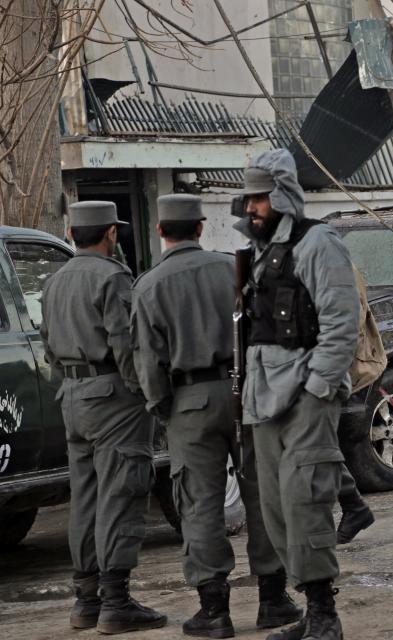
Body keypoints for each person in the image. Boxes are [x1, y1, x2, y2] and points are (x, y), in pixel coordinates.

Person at [130, 194, 301, 638]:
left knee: (199, 501)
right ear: (201, 228)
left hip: (189, 399)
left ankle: (214, 609)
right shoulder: (234, 268)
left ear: (160, 231)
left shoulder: (149, 285)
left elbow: (148, 360)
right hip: (245, 391)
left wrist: (162, 405)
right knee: (262, 493)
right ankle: (274, 598)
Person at [235, 149, 361, 640]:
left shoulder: (318, 243)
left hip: (306, 395)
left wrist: (317, 389)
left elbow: (341, 324)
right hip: (263, 399)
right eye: (249, 198)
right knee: (275, 510)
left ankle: (326, 615)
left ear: (284, 195)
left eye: (261, 198)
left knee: (304, 499)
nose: (252, 208)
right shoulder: (261, 254)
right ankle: (310, 609)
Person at [40, 201, 167, 634]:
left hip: (73, 396)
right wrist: (145, 393)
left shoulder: (55, 281)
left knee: (87, 499)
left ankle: (86, 601)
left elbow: (49, 346)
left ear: (74, 233)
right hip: (114, 398)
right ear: (111, 233)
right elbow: (126, 345)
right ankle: (116, 602)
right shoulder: (112, 277)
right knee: (122, 492)